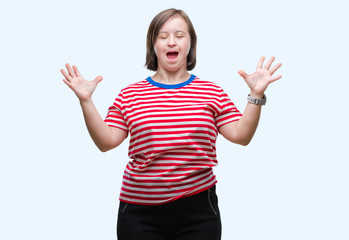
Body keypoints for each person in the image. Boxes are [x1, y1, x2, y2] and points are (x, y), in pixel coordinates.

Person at [60, 8, 282, 240]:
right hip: (139, 211)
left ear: (190, 44)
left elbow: (241, 136)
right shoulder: (130, 95)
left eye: (179, 35)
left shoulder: (211, 92)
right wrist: (85, 100)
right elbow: (106, 142)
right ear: (153, 45)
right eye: (163, 36)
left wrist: (256, 94)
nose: (171, 42)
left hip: (199, 210)